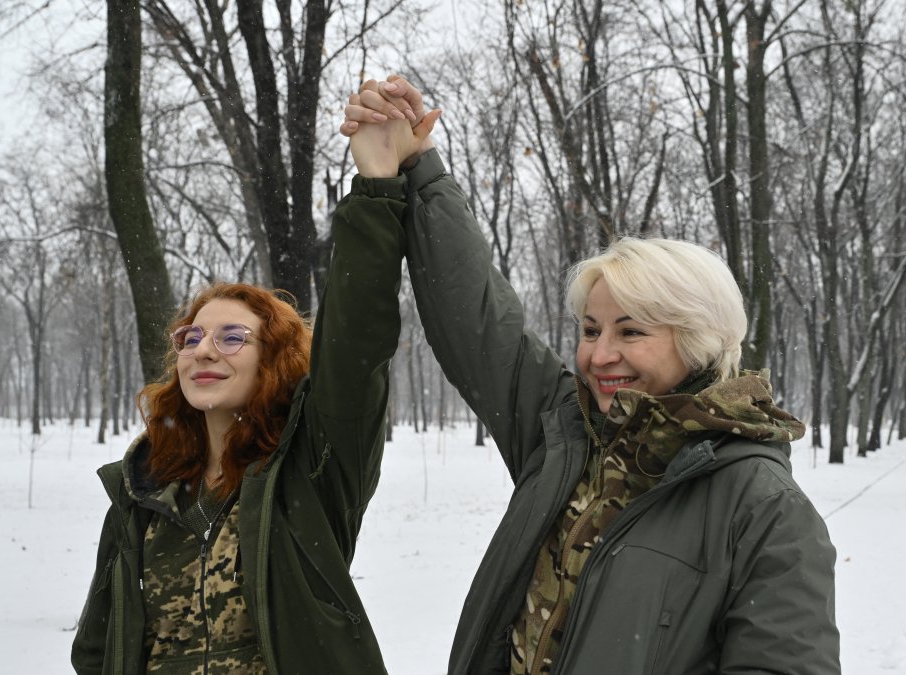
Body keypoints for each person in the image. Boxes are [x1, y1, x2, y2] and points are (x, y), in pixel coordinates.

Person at [342, 77, 841, 675]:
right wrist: (419, 167)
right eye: (588, 330)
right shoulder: (564, 432)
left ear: (700, 339)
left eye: (631, 332)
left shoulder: (763, 508)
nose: (599, 355)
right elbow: (475, 318)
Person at [69, 105, 436, 674]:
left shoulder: (309, 474)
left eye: (232, 336)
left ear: (274, 361)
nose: (204, 350)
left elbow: (356, 346)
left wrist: (377, 187)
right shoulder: (143, 490)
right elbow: (98, 649)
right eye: (192, 337)